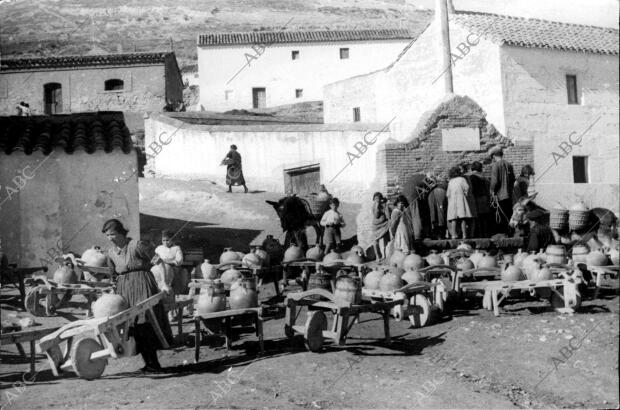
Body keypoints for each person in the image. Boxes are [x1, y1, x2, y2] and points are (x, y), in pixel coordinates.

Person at [102, 219, 172, 372]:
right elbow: (113, 276)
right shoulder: (111, 253)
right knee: (133, 327)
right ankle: (148, 363)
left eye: (112, 234)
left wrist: (164, 283)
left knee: (146, 323)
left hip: (143, 286)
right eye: (107, 235)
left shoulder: (137, 246)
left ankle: (154, 363)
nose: (110, 238)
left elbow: (159, 263)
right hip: (124, 290)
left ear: (121, 232)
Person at [153, 230, 187, 321]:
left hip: (173, 269)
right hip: (159, 270)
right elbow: (154, 258)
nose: (165, 242)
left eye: (167, 240)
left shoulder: (176, 248)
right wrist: (156, 261)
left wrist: (166, 261)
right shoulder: (159, 248)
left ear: (172, 240)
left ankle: (171, 313)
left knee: (172, 291)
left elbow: (179, 261)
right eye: (163, 240)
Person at [489, 147, 515, 235]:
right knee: (509, 214)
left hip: (500, 196)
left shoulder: (496, 165)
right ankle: (511, 232)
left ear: (493, 156)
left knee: (502, 216)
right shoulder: (509, 165)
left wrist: (492, 191)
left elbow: (494, 181)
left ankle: (505, 233)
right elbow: (513, 179)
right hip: (509, 195)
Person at [446, 166, 473, 239]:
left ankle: (453, 235)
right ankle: (464, 234)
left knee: (453, 219)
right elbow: (466, 188)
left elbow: (448, 193)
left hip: (452, 200)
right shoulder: (462, 179)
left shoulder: (450, 181)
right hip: (460, 199)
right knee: (462, 218)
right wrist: (465, 194)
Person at [468, 161, 491, 238]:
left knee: (478, 218)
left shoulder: (471, 178)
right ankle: (486, 234)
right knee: (485, 218)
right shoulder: (485, 178)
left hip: (476, 199)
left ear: (472, 168)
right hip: (485, 199)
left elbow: (471, 190)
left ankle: (479, 234)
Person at [371, 192, 390, 261]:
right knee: (375, 241)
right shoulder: (374, 206)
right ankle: (378, 256)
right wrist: (377, 206)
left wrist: (389, 220)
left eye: (378, 198)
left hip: (384, 225)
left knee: (386, 240)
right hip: (376, 226)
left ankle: (386, 255)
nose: (377, 199)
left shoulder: (384, 205)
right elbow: (376, 215)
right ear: (374, 199)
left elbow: (388, 215)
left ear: (381, 198)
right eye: (376, 198)